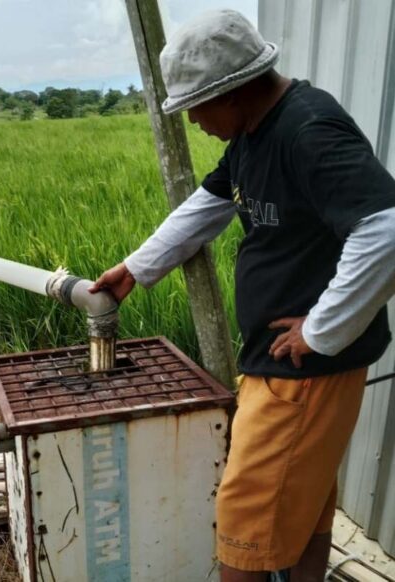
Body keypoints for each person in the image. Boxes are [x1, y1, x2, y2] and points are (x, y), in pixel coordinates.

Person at [90, 9, 395, 582]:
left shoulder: (307, 130)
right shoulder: (256, 134)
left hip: (301, 373)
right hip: (286, 366)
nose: (196, 123)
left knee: (244, 520)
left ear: (231, 92)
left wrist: (322, 329)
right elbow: (211, 203)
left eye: (196, 108)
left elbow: (386, 228)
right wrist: (136, 268)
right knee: (303, 505)